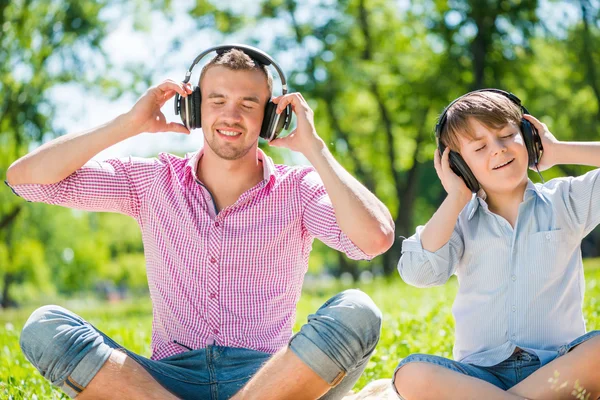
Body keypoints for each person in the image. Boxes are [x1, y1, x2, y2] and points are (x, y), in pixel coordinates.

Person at [6, 45, 395, 400]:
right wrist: (128, 124)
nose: (231, 115)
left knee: (358, 310)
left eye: (249, 103)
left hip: (270, 380)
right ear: (193, 109)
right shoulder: (153, 180)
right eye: (217, 100)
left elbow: (374, 239)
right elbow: (25, 181)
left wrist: (316, 148)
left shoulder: (299, 189)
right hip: (164, 383)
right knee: (45, 327)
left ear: (272, 117)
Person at [392, 89, 600, 399]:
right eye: (479, 147)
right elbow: (418, 273)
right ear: (459, 166)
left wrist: (558, 152)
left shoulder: (565, 200)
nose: (498, 150)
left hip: (556, 367)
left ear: (529, 138)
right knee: (410, 374)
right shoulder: (456, 221)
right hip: (478, 378)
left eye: (506, 135)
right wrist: (456, 197)